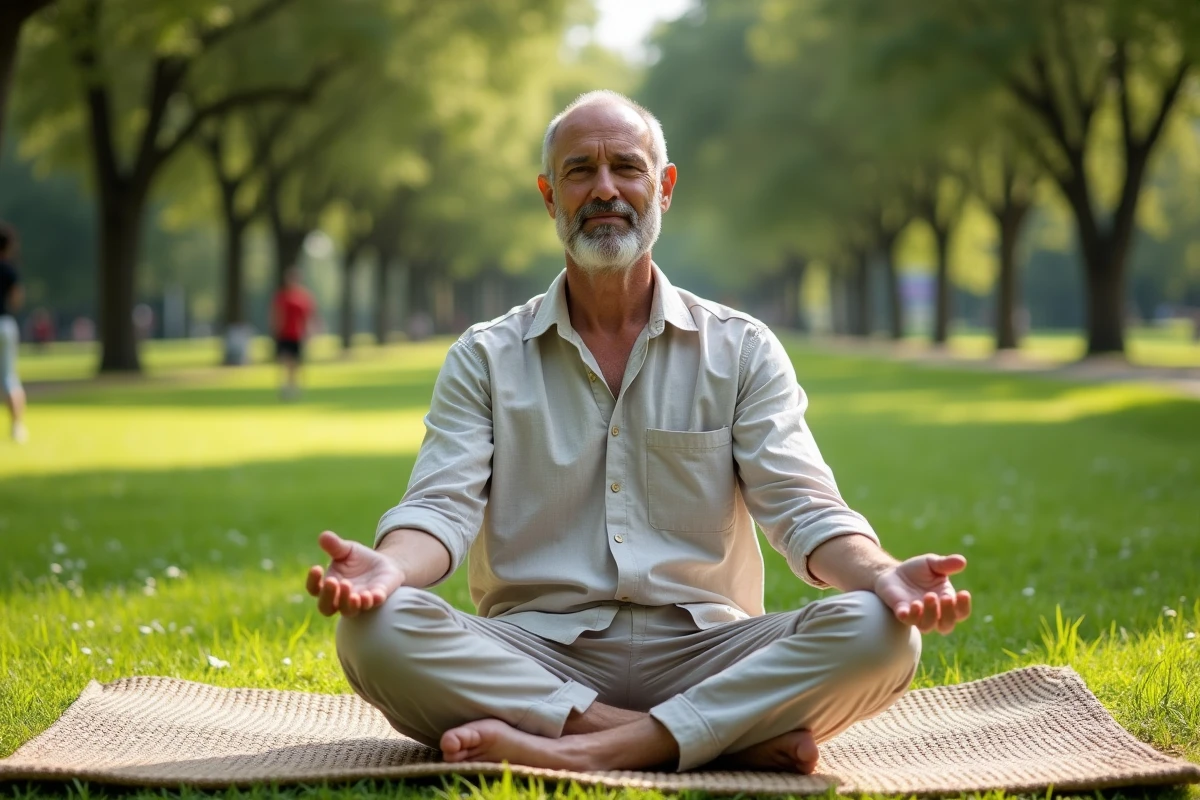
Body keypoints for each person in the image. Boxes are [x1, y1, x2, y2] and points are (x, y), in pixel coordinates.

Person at [307, 91, 972, 774]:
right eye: (578, 171)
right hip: (534, 652)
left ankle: (587, 749)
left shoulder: (741, 348)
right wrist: (389, 566)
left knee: (881, 634)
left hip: (708, 652)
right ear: (548, 196)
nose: (604, 190)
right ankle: (697, 738)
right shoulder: (485, 355)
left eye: (626, 166)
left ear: (665, 186)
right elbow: (439, 507)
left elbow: (803, 506)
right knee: (376, 630)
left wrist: (883, 574)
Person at [0, 222, 28, 444]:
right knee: (9, 377)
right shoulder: (9, 269)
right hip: (5, 324)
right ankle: (17, 426)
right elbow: (16, 300)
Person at [270, 266, 316, 400]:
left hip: (297, 334)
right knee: (284, 361)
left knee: (295, 364)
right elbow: (276, 314)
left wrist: (310, 332)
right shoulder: (281, 296)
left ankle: (294, 388)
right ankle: (284, 387)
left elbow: (309, 316)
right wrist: (275, 330)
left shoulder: (304, 297)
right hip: (284, 334)